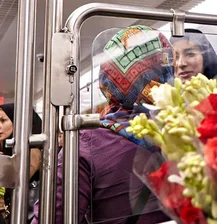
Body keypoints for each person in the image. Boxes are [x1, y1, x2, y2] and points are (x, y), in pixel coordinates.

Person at [33, 25, 173, 224]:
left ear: (107, 78)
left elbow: (53, 217)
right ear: (167, 68)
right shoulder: (189, 128)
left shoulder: (85, 142)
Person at [0, 104, 43, 223]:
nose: (0, 126)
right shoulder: (8, 147)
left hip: (31, 210)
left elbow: (21, 177)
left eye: (3, 120)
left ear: (17, 121)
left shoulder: (33, 146)